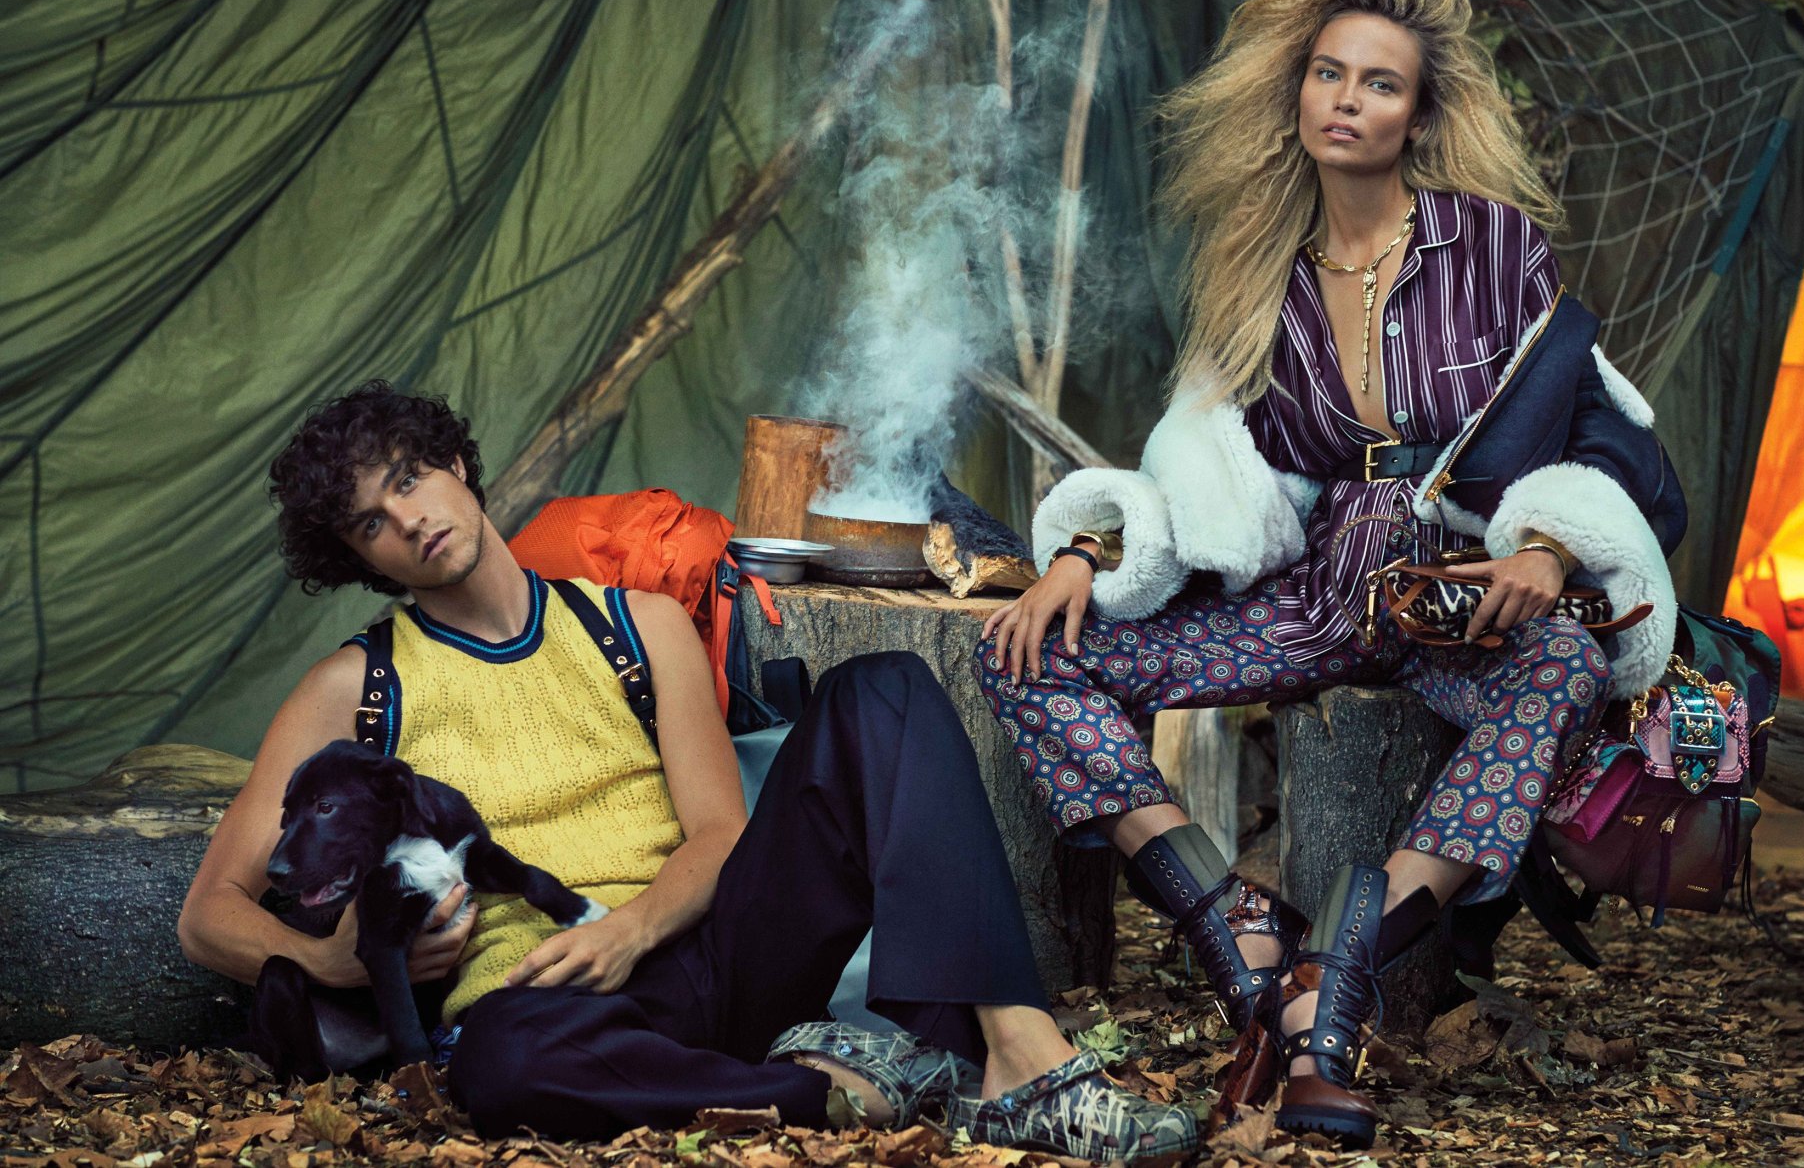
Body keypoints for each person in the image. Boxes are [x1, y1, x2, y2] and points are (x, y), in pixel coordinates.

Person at [975, 0, 1685, 1150]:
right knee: (1030, 656)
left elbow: (1600, 425)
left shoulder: (1493, 247)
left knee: (1564, 665)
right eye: (1328, 73)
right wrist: (1084, 552)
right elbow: (1190, 464)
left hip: (1459, 594)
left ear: (1420, 116)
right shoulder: (1256, 271)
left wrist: (1552, 552)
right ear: (1295, 89)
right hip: (1315, 591)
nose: (1347, 100)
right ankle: (1239, 929)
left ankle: (1335, 971)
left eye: (1380, 83)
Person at [177, 382, 1195, 1159]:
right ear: (362, 559)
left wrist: (631, 930)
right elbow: (208, 913)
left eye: (408, 479)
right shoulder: (356, 685)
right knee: (501, 1062)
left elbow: (719, 833)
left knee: (883, 689)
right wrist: (334, 963)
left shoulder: (635, 625)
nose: (407, 519)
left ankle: (1024, 1057)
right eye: (370, 521)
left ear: (452, 463)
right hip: (542, 1002)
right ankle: (839, 1093)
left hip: (713, 956)